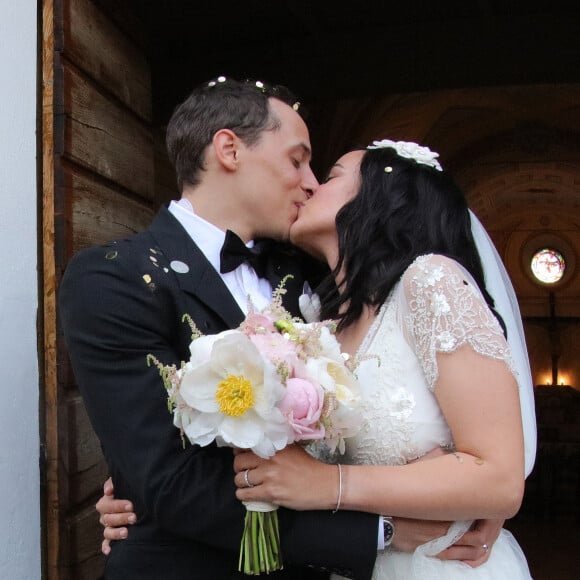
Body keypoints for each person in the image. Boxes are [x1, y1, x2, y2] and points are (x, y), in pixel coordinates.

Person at [79, 79, 517, 578]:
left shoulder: (314, 284)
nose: (310, 182)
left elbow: (470, 441)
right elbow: (166, 481)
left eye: (322, 172)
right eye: (298, 160)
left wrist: (475, 494)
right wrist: (383, 530)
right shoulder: (115, 276)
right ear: (228, 149)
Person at [231, 142, 535, 579]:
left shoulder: (430, 282)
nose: (312, 184)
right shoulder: (317, 324)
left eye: (332, 174)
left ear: (383, 196)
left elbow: (501, 479)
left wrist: (328, 484)